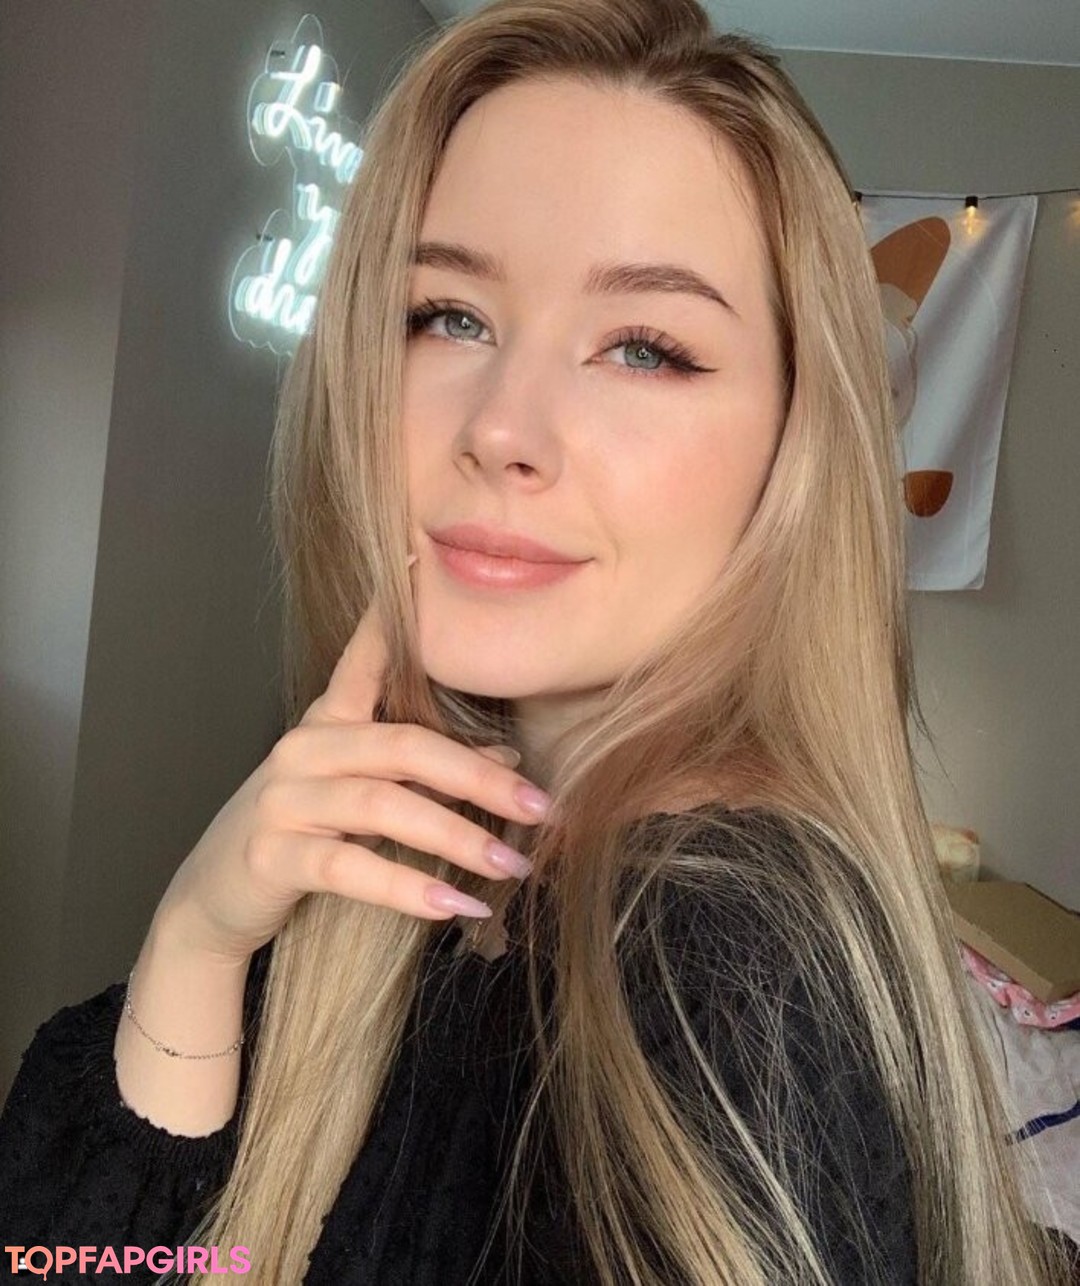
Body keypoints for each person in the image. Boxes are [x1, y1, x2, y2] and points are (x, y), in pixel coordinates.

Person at [0, 0, 1072, 1282]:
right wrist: (199, 939)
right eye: (448, 315)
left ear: (795, 448)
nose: (501, 428)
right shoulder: (436, 849)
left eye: (644, 348)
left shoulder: (726, 983)